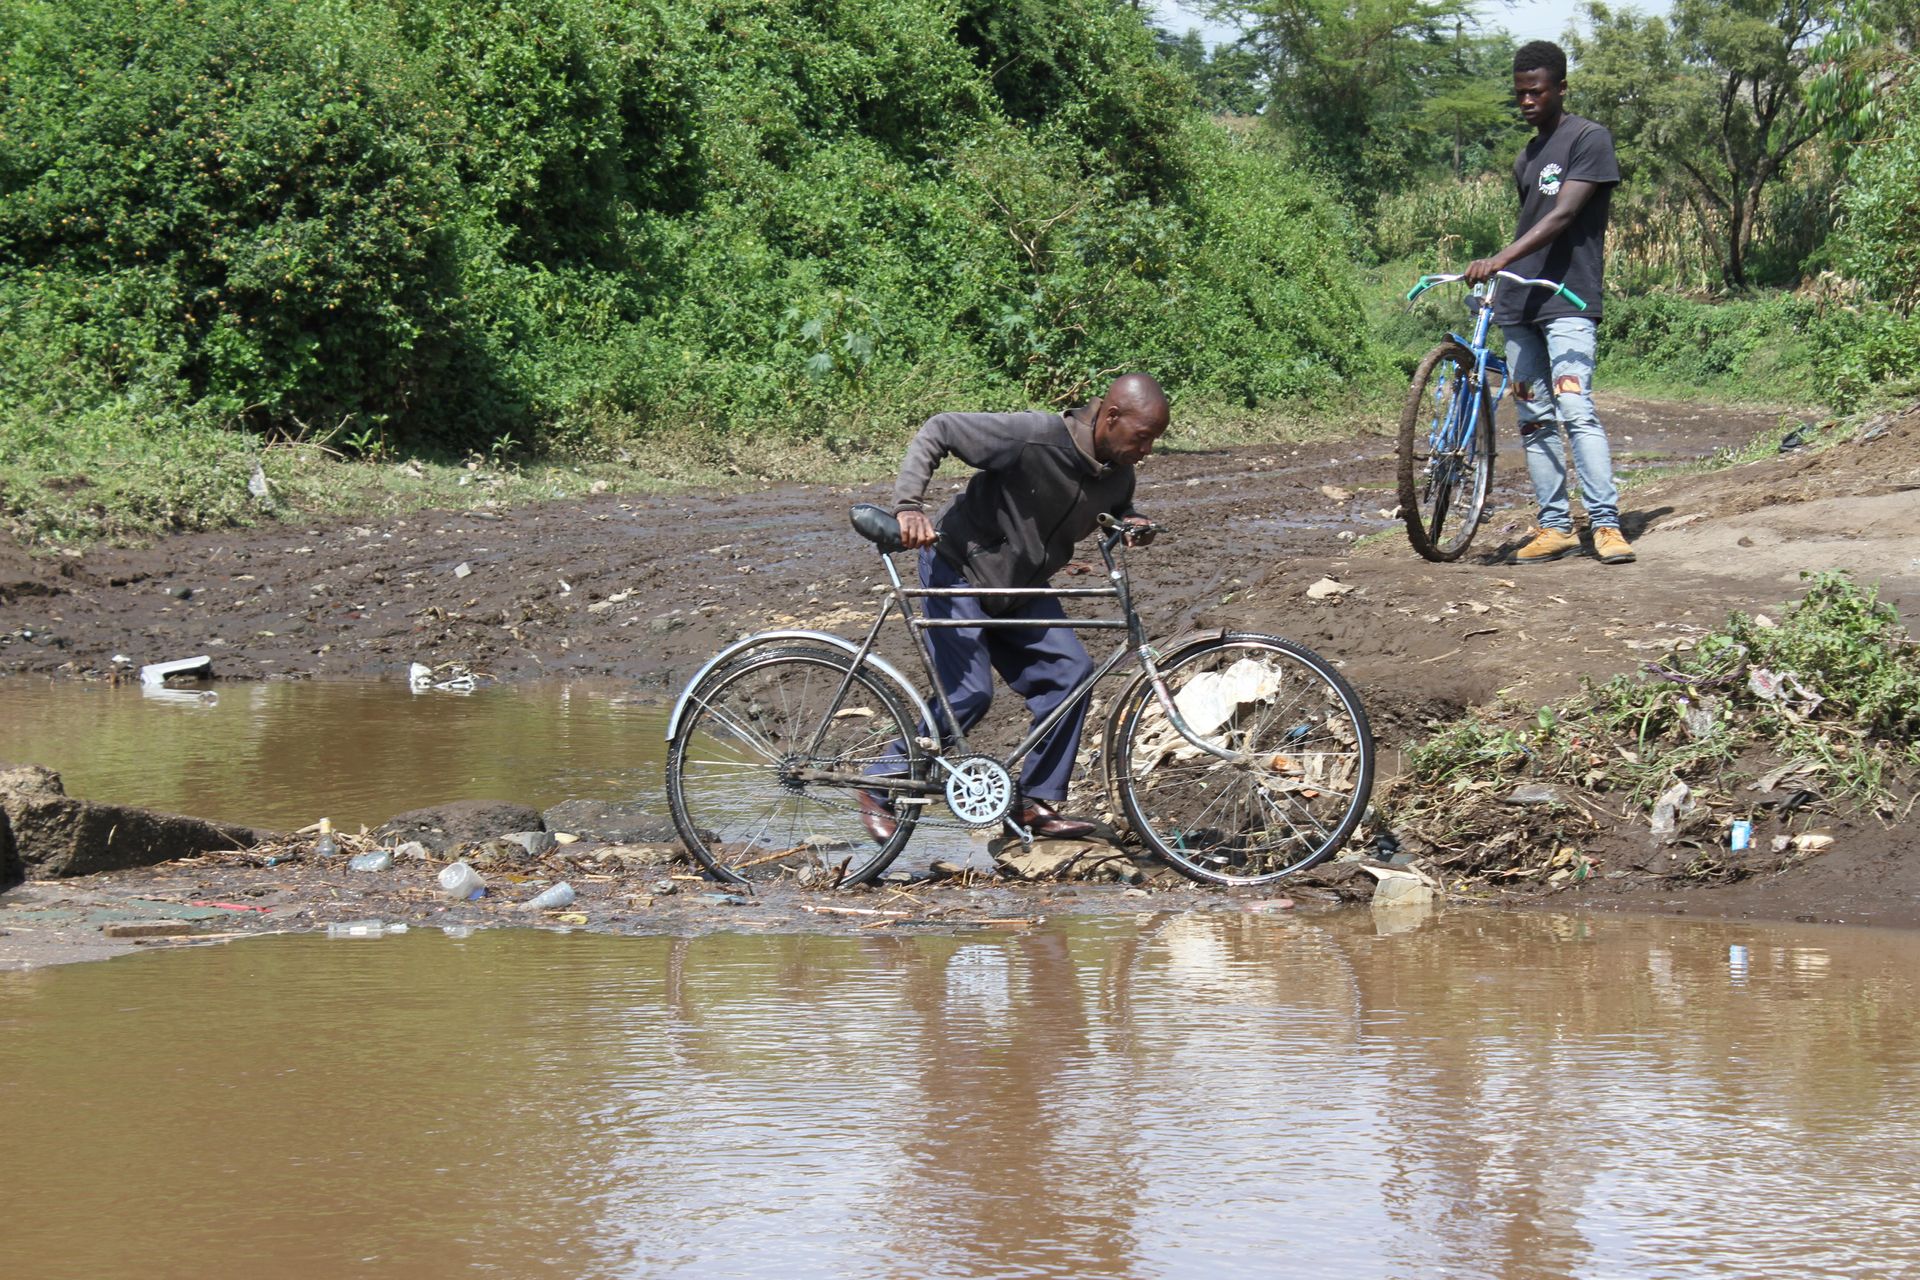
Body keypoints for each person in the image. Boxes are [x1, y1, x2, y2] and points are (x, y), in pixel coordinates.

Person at [859, 373, 1168, 842]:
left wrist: (1131, 521)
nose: (1146, 450)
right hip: (959, 570)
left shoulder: (1117, 471)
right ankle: (880, 779)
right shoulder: (1031, 438)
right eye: (1143, 437)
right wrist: (908, 507)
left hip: (1022, 587)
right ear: (1111, 416)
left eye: (1153, 441)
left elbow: (1113, 508)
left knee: (1070, 674)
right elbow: (939, 428)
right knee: (968, 694)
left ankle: (1032, 803)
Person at [1466, 40, 1635, 567]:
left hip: (1568, 299)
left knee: (1575, 408)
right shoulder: (1527, 156)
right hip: (1521, 305)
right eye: (1519, 94)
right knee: (1534, 417)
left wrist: (1497, 257)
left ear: (1561, 87)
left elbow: (1561, 218)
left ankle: (1605, 524)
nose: (1527, 101)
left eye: (1536, 91)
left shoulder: (1589, 139)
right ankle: (1556, 526)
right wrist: (1505, 270)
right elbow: (1532, 222)